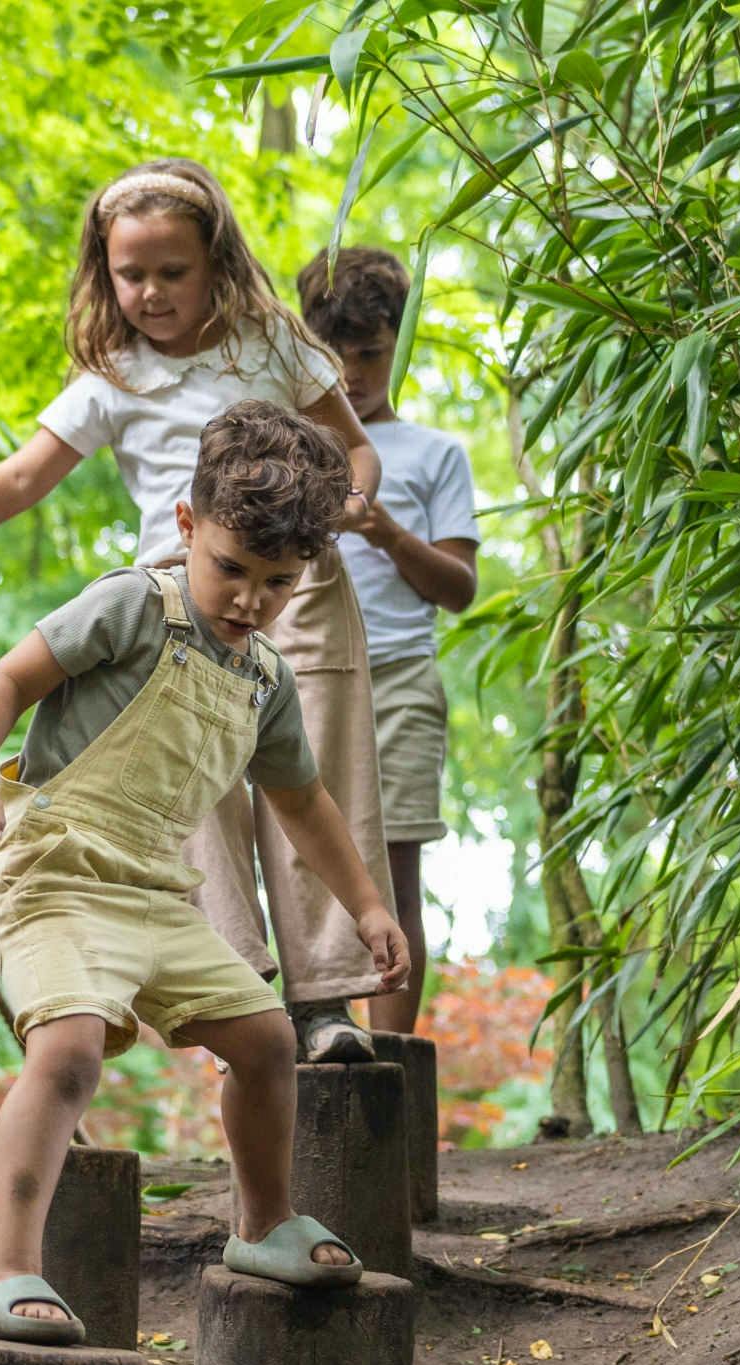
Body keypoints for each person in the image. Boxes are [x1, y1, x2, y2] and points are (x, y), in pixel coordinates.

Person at [0, 158, 397, 1066]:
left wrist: (346, 509)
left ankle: (326, 1002)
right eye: (132, 275)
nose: (152, 292)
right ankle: (249, 990)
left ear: (217, 264)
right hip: (173, 601)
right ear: (104, 272)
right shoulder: (112, 376)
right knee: (198, 791)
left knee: (308, 777)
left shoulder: (271, 342)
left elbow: (356, 451)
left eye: (174, 271)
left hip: (296, 588)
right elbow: (21, 476)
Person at [0, 401, 409, 1342]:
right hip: (55, 871)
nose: (249, 599)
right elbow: (7, 680)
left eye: (277, 582)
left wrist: (366, 904)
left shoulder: (266, 679)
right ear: (187, 527)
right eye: (231, 568)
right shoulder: (131, 605)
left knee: (270, 1040)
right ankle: (5, 1270)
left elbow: (304, 802)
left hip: (155, 889)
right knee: (65, 1053)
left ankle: (263, 1222)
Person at [293, 246, 480, 1036]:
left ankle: (393, 1069)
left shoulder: (435, 454)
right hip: (297, 678)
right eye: (333, 357)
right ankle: (315, 1047)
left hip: (398, 676)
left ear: (395, 343)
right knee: (302, 870)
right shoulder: (288, 443)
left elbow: (460, 589)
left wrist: (383, 529)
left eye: (368, 354)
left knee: (395, 873)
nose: (352, 374)